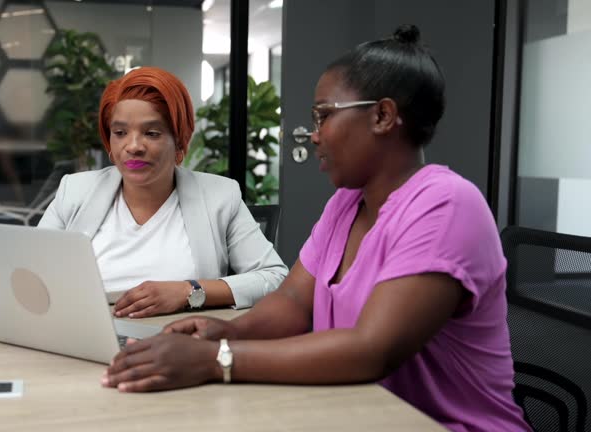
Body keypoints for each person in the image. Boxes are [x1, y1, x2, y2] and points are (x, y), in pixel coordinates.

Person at [102, 26, 531, 432]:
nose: (312, 134)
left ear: (382, 116)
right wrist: (227, 330)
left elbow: (371, 350)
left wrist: (216, 360)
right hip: (357, 413)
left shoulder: (447, 206)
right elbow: (292, 300)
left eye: (324, 115)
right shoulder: (347, 203)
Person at [38, 67, 288, 318]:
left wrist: (188, 292)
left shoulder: (220, 196)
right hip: (86, 337)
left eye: (152, 133)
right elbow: (29, 272)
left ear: (179, 139)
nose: (133, 146)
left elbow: (275, 278)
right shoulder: (74, 191)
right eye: (120, 133)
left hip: (179, 343)